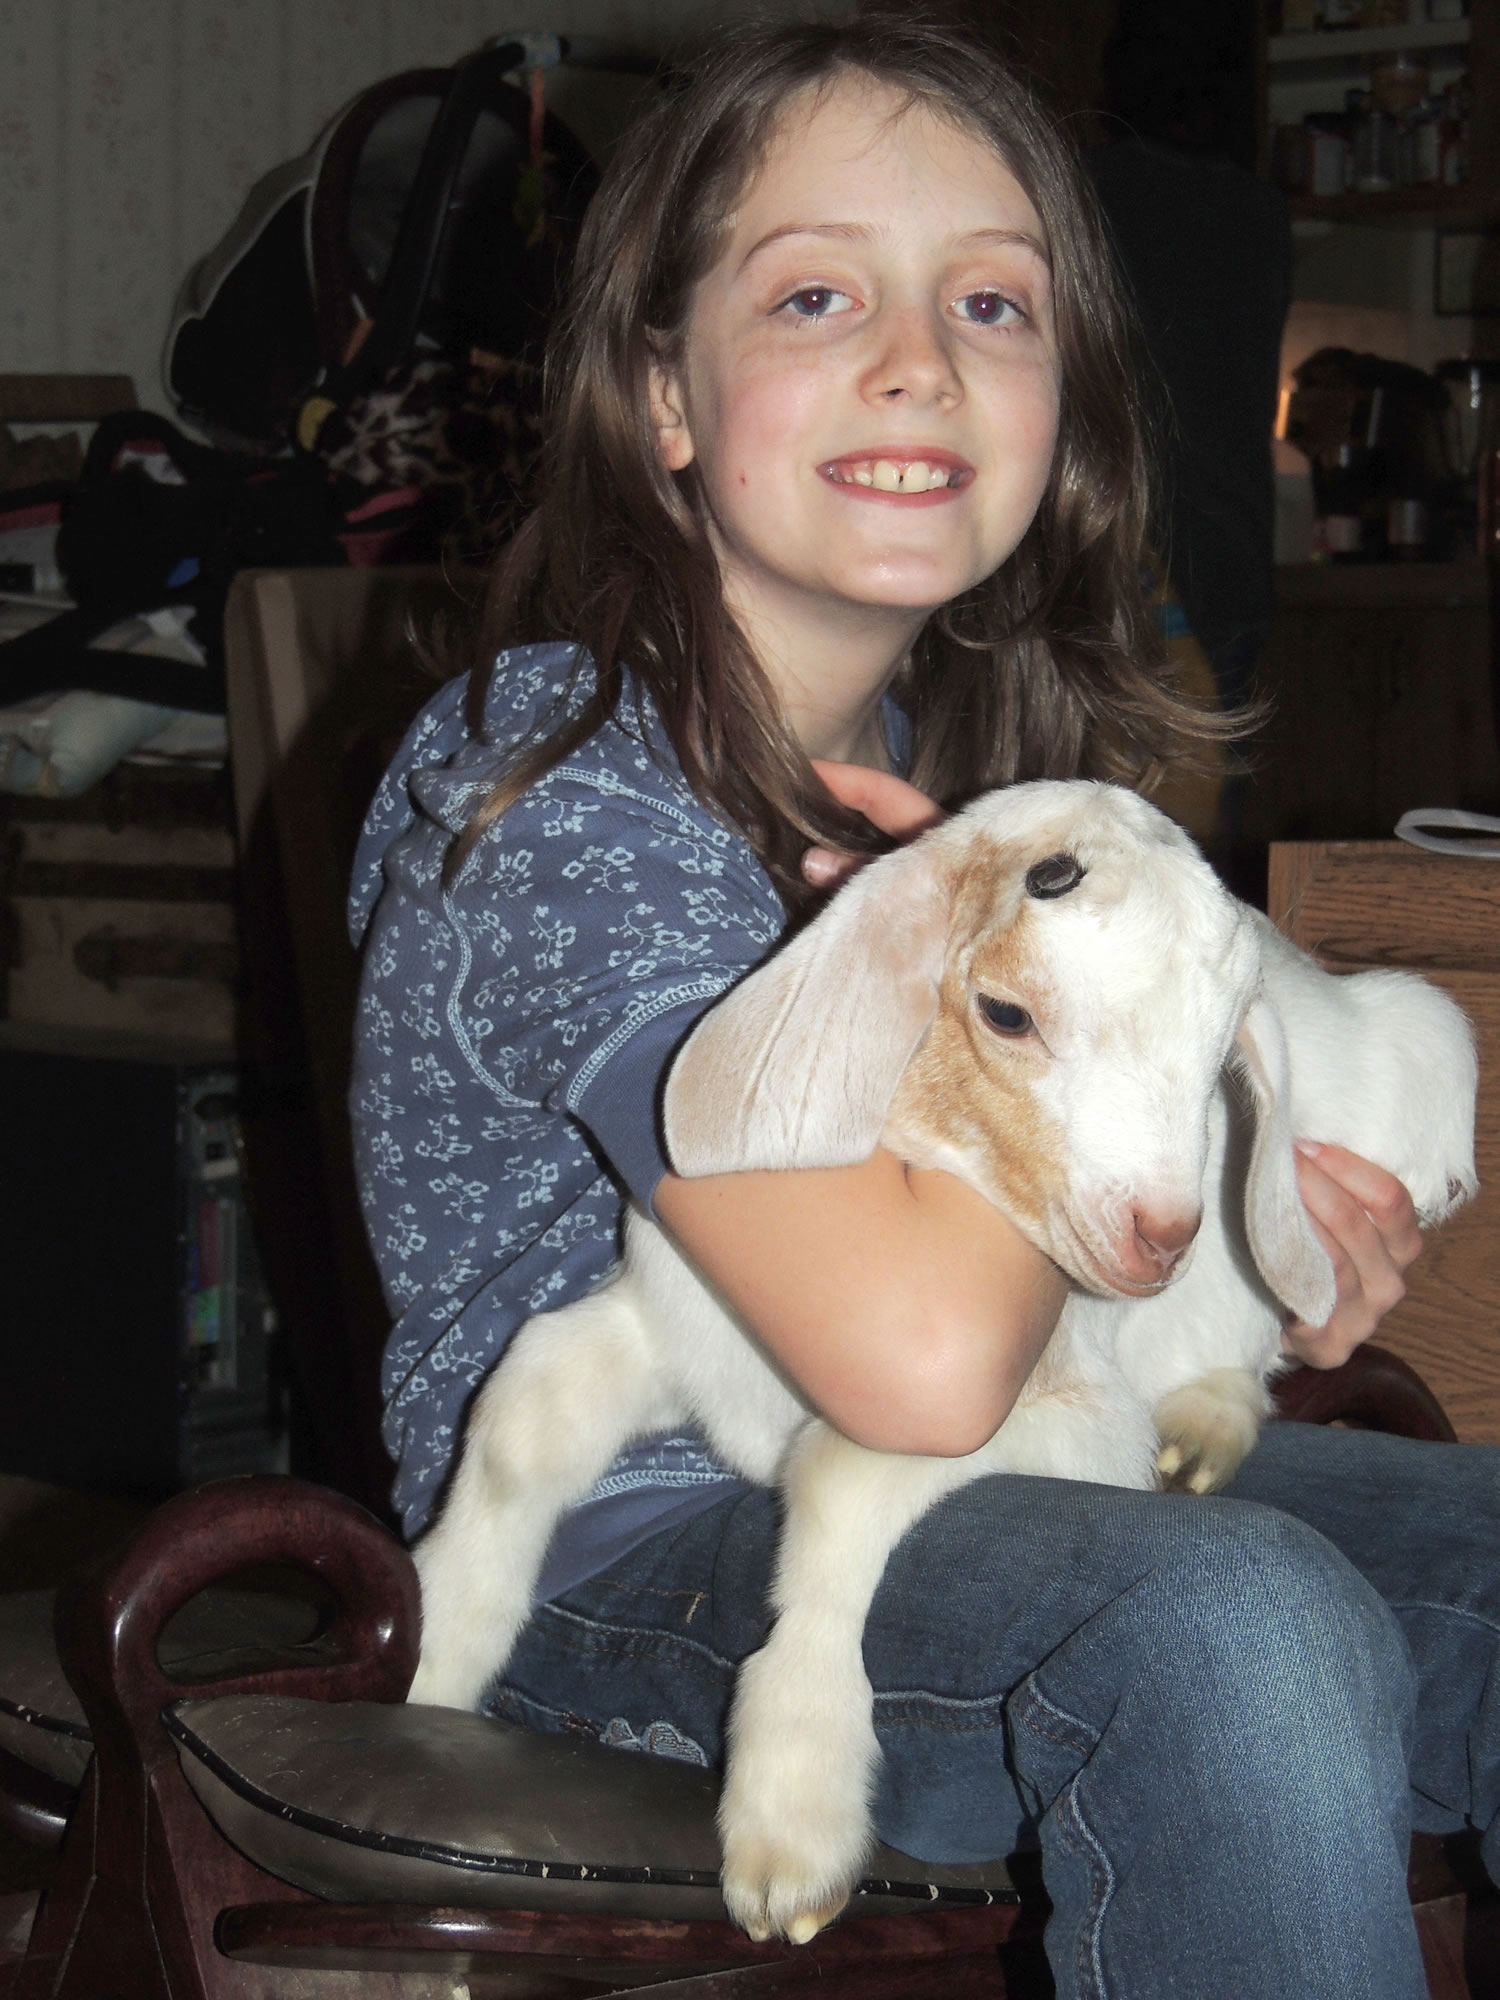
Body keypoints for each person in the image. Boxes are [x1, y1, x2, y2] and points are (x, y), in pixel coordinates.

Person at [347, 20, 1498, 1996]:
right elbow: (920, 1353)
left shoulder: (968, 793)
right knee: (1238, 1627)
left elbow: (1061, 1256)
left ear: (1070, 404)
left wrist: (1253, 1230)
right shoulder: (555, 779)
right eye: (817, 292)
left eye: (992, 300)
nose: (919, 357)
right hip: (623, 1549)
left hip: (1011, 1465)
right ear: (663, 394)